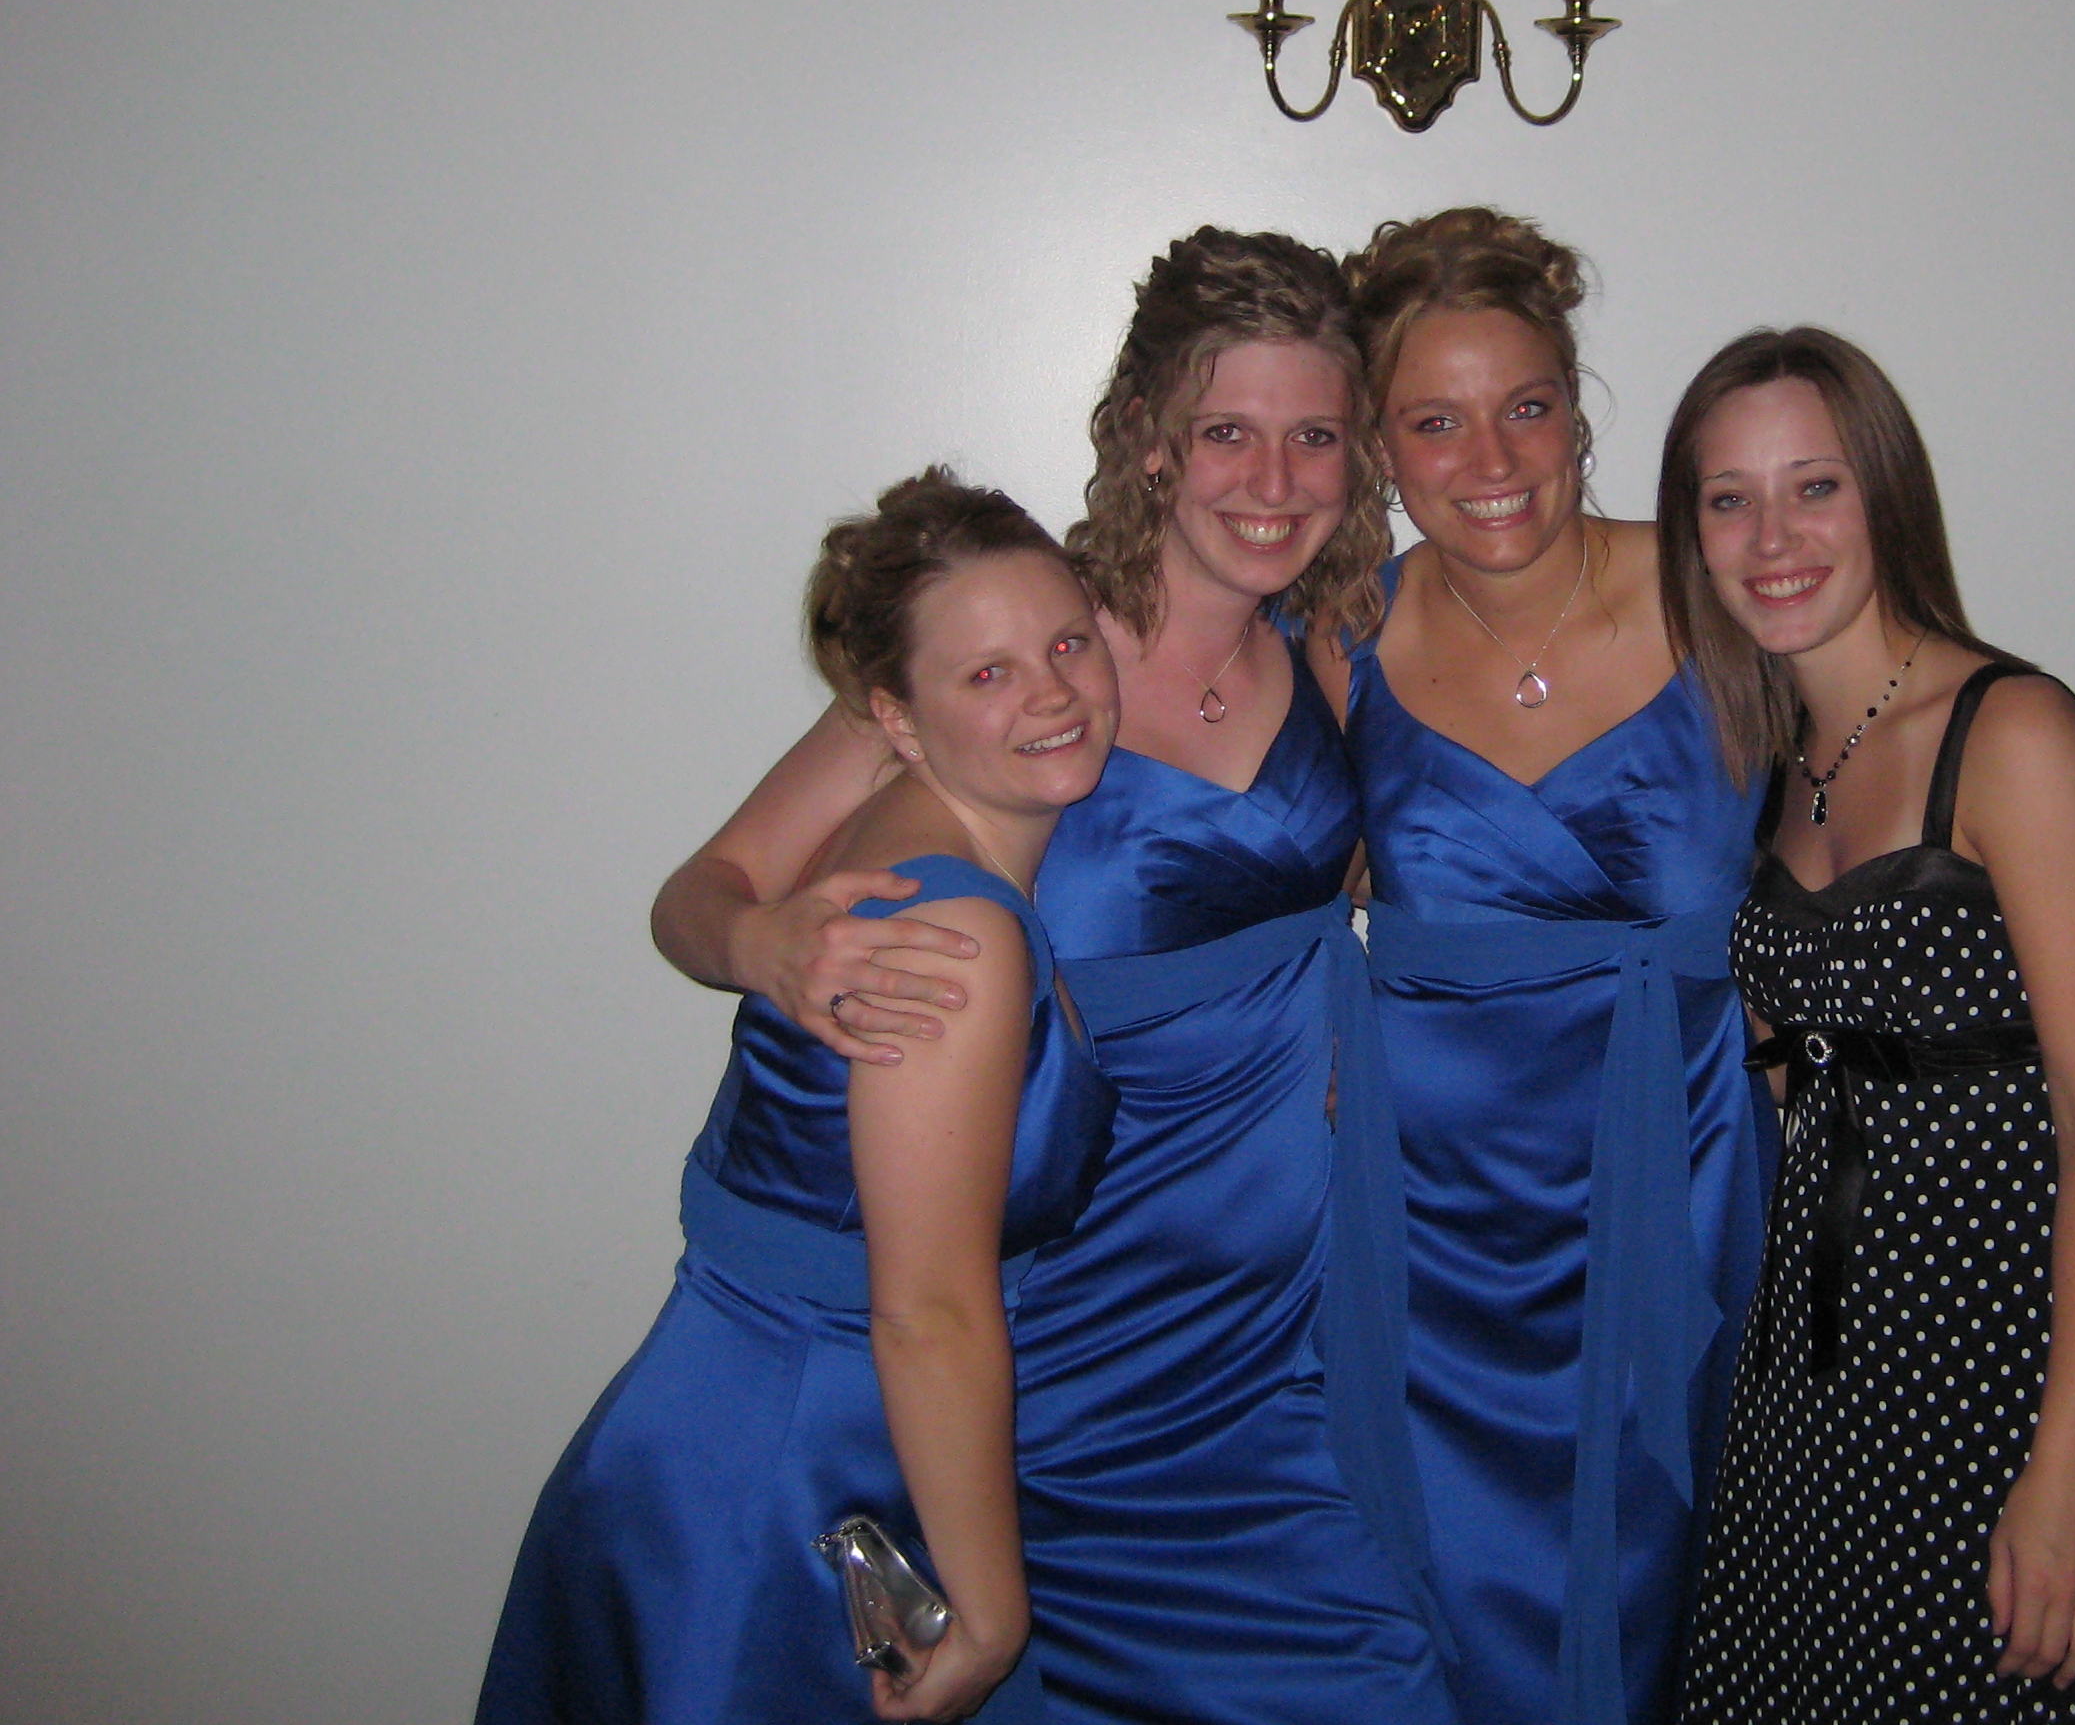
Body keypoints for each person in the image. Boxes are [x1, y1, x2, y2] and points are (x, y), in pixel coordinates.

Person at [650, 231, 1453, 1725]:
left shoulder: (1332, 651)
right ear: (1149, 437)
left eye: (1315, 438)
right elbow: (701, 895)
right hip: (1063, 1287)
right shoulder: (1017, 646)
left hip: (1268, 1298)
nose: (1274, 482)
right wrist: (764, 947)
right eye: (1227, 431)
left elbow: (1377, 881)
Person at [479, 471, 1120, 1724]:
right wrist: (993, 1618)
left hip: (750, 1420)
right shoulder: (950, 938)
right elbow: (927, 1311)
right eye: (986, 674)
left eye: (1067, 645)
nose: (1051, 693)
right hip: (802, 1469)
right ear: (896, 717)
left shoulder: (907, 821)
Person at [1655, 328, 2075, 1721]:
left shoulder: (2012, 736)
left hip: (1999, 1363)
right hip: (1813, 1371)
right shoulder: (1766, 767)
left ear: (1885, 494)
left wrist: (2069, 1470)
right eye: (1729, 499)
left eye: (1814, 487)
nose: (1773, 538)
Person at [1318, 208, 1775, 1725]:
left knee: (1672, 1593)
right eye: (1434, 421)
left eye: (1524, 406)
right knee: (1451, 1607)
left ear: (1578, 409)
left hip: (1688, 1171)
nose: (1492, 460)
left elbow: (1887, 786)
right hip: (1432, 1222)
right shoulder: (1344, 635)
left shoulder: (1724, 596)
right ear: (1380, 447)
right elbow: (1255, 875)